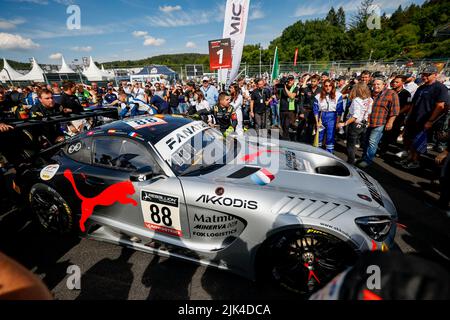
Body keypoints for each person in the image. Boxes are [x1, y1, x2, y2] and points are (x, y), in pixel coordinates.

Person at [402, 65, 449, 169]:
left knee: (419, 141)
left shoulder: (440, 88)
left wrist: (430, 121)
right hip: (414, 118)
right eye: (423, 75)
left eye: (427, 75)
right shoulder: (422, 87)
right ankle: (410, 157)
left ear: (435, 75)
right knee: (411, 139)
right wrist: (408, 116)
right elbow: (413, 104)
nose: (424, 77)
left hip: (425, 120)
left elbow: (440, 106)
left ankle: (415, 161)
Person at [357, 77, 400, 168]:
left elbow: (395, 111)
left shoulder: (391, 94)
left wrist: (390, 122)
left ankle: (367, 161)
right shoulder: (371, 93)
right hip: (368, 122)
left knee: (372, 142)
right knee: (365, 141)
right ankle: (364, 157)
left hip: (380, 122)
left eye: (378, 84)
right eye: (374, 84)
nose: (376, 86)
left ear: (384, 85)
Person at [338, 83, 373, 164]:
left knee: (351, 145)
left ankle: (350, 161)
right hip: (364, 124)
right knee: (362, 142)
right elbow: (369, 112)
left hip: (355, 124)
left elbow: (355, 116)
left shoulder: (357, 100)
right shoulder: (370, 99)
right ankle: (362, 159)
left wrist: (344, 124)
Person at [379, 76, 412, 155]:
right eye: (394, 81)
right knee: (384, 133)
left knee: (392, 133)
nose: (394, 83)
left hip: (398, 117)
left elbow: (408, 106)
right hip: (386, 115)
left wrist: (397, 113)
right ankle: (382, 148)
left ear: (402, 83)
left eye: (397, 82)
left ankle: (387, 149)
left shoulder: (406, 93)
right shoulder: (389, 91)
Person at [313, 79, 344, 153]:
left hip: (332, 117)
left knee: (330, 136)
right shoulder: (318, 96)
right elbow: (315, 110)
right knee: (319, 136)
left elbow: (339, 111)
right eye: (326, 86)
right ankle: (318, 152)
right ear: (323, 87)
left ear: (332, 86)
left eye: (330, 86)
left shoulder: (338, 95)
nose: (328, 87)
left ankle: (329, 152)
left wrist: (337, 122)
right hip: (321, 116)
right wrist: (317, 122)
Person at [299, 74, 321, 143]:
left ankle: (309, 142)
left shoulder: (321, 90)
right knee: (301, 128)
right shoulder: (306, 89)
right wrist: (302, 112)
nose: (312, 83)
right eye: (311, 81)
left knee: (311, 129)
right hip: (305, 111)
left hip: (315, 113)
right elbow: (301, 101)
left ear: (318, 82)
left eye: (314, 81)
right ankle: (298, 141)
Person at [277, 76, 299, 140]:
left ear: (293, 81)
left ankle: (286, 138)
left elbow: (292, 96)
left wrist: (285, 88)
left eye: (291, 80)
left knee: (287, 125)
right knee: (282, 125)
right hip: (282, 109)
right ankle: (285, 136)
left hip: (290, 110)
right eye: (289, 80)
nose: (289, 81)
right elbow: (277, 96)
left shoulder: (295, 87)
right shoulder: (282, 87)